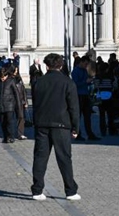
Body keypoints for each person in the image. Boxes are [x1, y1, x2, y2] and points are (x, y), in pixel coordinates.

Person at [30, 53, 81, 202]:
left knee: (40, 158)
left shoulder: (38, 82)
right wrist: (75, 127)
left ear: (46, 66)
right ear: (61, 65)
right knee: (64, 158)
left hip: (42, 124)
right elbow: (74, 107)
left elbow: (36, 104)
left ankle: (37, 189)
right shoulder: (68, 83)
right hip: (61, 125)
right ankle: (70, 190)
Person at [70, 56, 98, 141]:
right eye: (85, 64)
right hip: (78, 95)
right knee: (78, 116)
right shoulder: (75, 71)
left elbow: (86, 82)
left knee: (87, 115)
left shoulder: (85, 71)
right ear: (81, 62)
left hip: (85, 94)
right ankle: (77, 133)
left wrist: (91, 82)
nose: (86, 66)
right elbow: (75, 83)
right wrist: (85, 82)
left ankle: (90, 133)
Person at [0, 65, 20, 144]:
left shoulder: (11, 81)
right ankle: (5, 137)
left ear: (7, 75)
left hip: (9, 104)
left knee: (10, 121)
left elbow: (16, 94)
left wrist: (18, 106)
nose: (2, 79)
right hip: (0, 105)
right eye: (1, 77)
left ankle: (11, 136)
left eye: (4, 77)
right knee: (2, 122)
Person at [13, 66, 29, 140]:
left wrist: (25, 101)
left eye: (17, 70)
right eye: (14, 70)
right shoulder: (10, 80)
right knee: (13, 118)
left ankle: (20, 133)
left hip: (21, 101)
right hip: (13, 101)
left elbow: (23, 91)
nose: (16, 72)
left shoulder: (19, 79)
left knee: (21, 117)